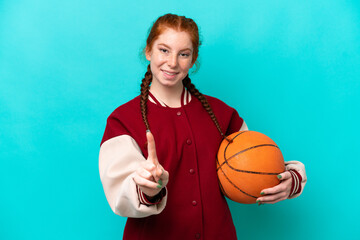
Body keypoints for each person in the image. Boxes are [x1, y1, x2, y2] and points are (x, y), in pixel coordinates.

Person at [99, 13, 307, 240]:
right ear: (148, 51)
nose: (172, 62)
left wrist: (291, 179)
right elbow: (119, 194)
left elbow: (257, 163)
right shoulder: (122, 120)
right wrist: (148, 188)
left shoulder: (222, 114)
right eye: (164, 50)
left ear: (193, 59)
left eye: (183, 54)